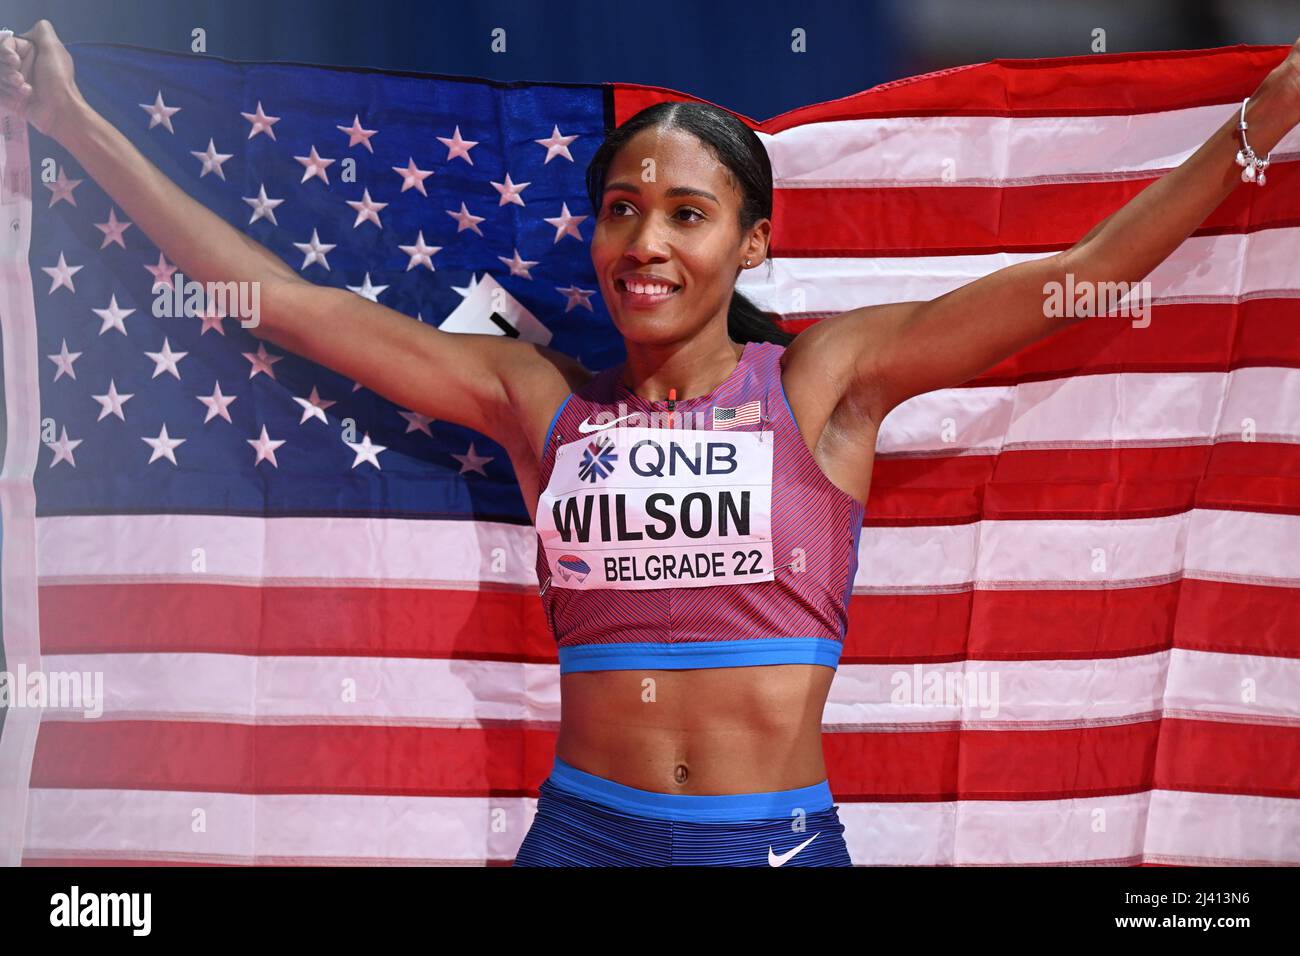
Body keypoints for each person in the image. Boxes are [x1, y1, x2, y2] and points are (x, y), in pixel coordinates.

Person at [5, 20, 1298, 867]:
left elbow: (1083, 269)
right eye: (624, 209)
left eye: (690, 212)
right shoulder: (536, 402)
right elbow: (289, 307)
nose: (649, 242)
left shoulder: (829, 381)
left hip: (773, 844)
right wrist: (77, 124)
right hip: (584, 838)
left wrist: (1259, 127)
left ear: (753, 243)